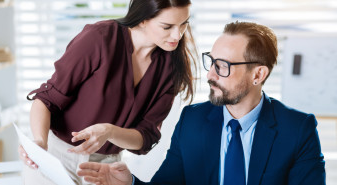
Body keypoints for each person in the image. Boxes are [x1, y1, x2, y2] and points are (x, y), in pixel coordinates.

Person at [76, 21, 326, 185]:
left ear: (258, 75)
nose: (210, 75)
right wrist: (130, 183)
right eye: (212, 61)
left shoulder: (297, 129)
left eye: (223, 66)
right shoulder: (192, 120)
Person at [18, 0, 198, 184]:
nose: (178, 34)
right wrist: (40, 142)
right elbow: (47, 99)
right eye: (167, 26)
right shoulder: (100, 38)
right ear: (143, 19)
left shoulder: (171, 68)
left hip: (105, 168)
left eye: (184, 23)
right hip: (57, 156)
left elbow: (146, 137)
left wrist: (110, 131)